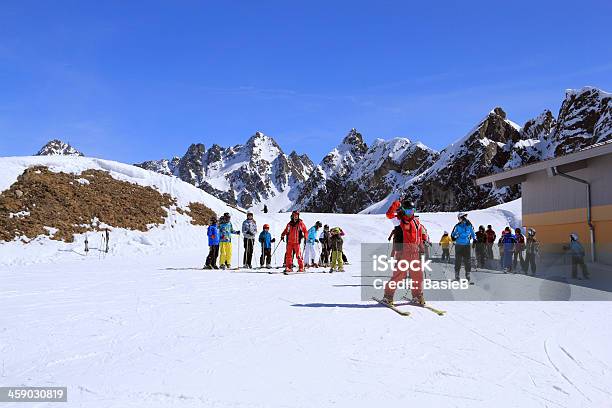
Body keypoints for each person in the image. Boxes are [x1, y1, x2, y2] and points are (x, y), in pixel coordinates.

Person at [382, 198, 426, 306]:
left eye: (412, 210)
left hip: (415, 252)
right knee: (399, 275)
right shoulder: (399, 221)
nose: (410, 213)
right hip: (403, 252)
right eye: (408, 211)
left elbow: (419, 236)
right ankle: (388, 296)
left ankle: (417, 295)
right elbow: (389, 214)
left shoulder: (416, 222)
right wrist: (397, 203)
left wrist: (421, 248)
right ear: (403, 210)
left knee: (418, 275)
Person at [451, 212, 476, 281]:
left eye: (458, 218)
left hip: (459, 245)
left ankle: (457, 275)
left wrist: (455, 237)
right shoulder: (470, 225)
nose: (458, 219)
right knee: (467, 260)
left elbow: (453, 235)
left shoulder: (458, 226)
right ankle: (467, 275)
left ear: (461, 218)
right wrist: (474, 240)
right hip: (466, 245)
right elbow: (473, 233)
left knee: (458, 260)